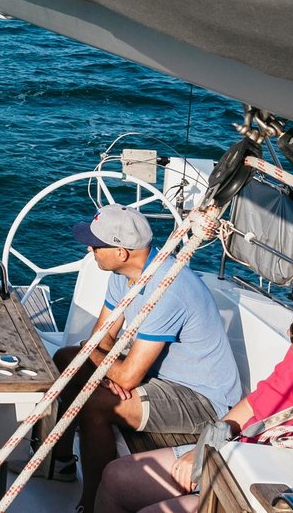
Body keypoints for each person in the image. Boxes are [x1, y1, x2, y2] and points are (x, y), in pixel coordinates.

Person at [95, 296, 293, 513]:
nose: (290, 339)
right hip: (232, 456)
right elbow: (253, 405)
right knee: (117, 476)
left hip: (266, 492)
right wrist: (205, 448)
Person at [51, 206, 243, 513]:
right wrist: (103, 365)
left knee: (98, 405)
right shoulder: (123, 276)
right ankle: (59, 462)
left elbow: (125, 376)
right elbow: (101, 339)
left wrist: (106, 367)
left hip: (202, 398)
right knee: (66, 358)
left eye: (97, 245)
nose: (90, 248)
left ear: (123, 252)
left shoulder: (168, 290)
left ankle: (91, 504)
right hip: (158, 375)